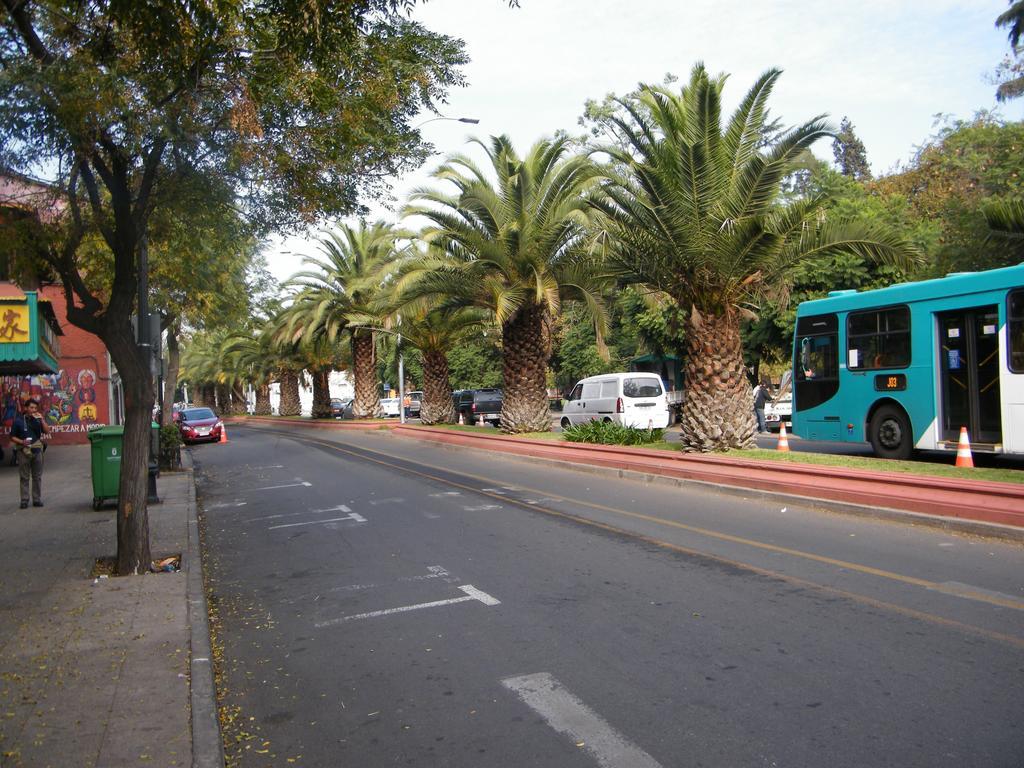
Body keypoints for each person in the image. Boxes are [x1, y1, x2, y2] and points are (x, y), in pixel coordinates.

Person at [11, 398, 49, 508]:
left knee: (37, 477)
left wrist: (42, 419)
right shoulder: (18, 421)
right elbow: (12, 437)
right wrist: (22, 442)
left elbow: (47, 431)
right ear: (26, 408)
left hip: (37, 450)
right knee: (24, 477)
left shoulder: (37, 420)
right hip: (23, 451)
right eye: (31, 407)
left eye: (35, 408)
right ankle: (24, 500)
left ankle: (37, 499)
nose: (33, 410)